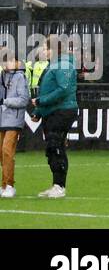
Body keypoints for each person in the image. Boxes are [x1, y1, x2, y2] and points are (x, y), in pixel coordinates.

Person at [32, 41, 78, 199]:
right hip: (53, 111)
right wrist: (38, 111)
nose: (43, 51)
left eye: (46, 48)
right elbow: (50, 89)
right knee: (53, 147)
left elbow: (62, 89)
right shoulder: (55, 65)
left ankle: (59, 186)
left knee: (55, 145)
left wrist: (41, 102)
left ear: (55, 50)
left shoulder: (63, 65)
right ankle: (57, 185)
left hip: (61, 111)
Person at [0, 53, 30, 198]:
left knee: (7, 151)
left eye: (10, 61)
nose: (7, 64)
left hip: (13, 120)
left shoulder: (20, 77)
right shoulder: (2, 76)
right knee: (2, 153)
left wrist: (5, 101)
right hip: (2, 119)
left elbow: (24, 100)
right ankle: (4, 184)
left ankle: (9, 185)